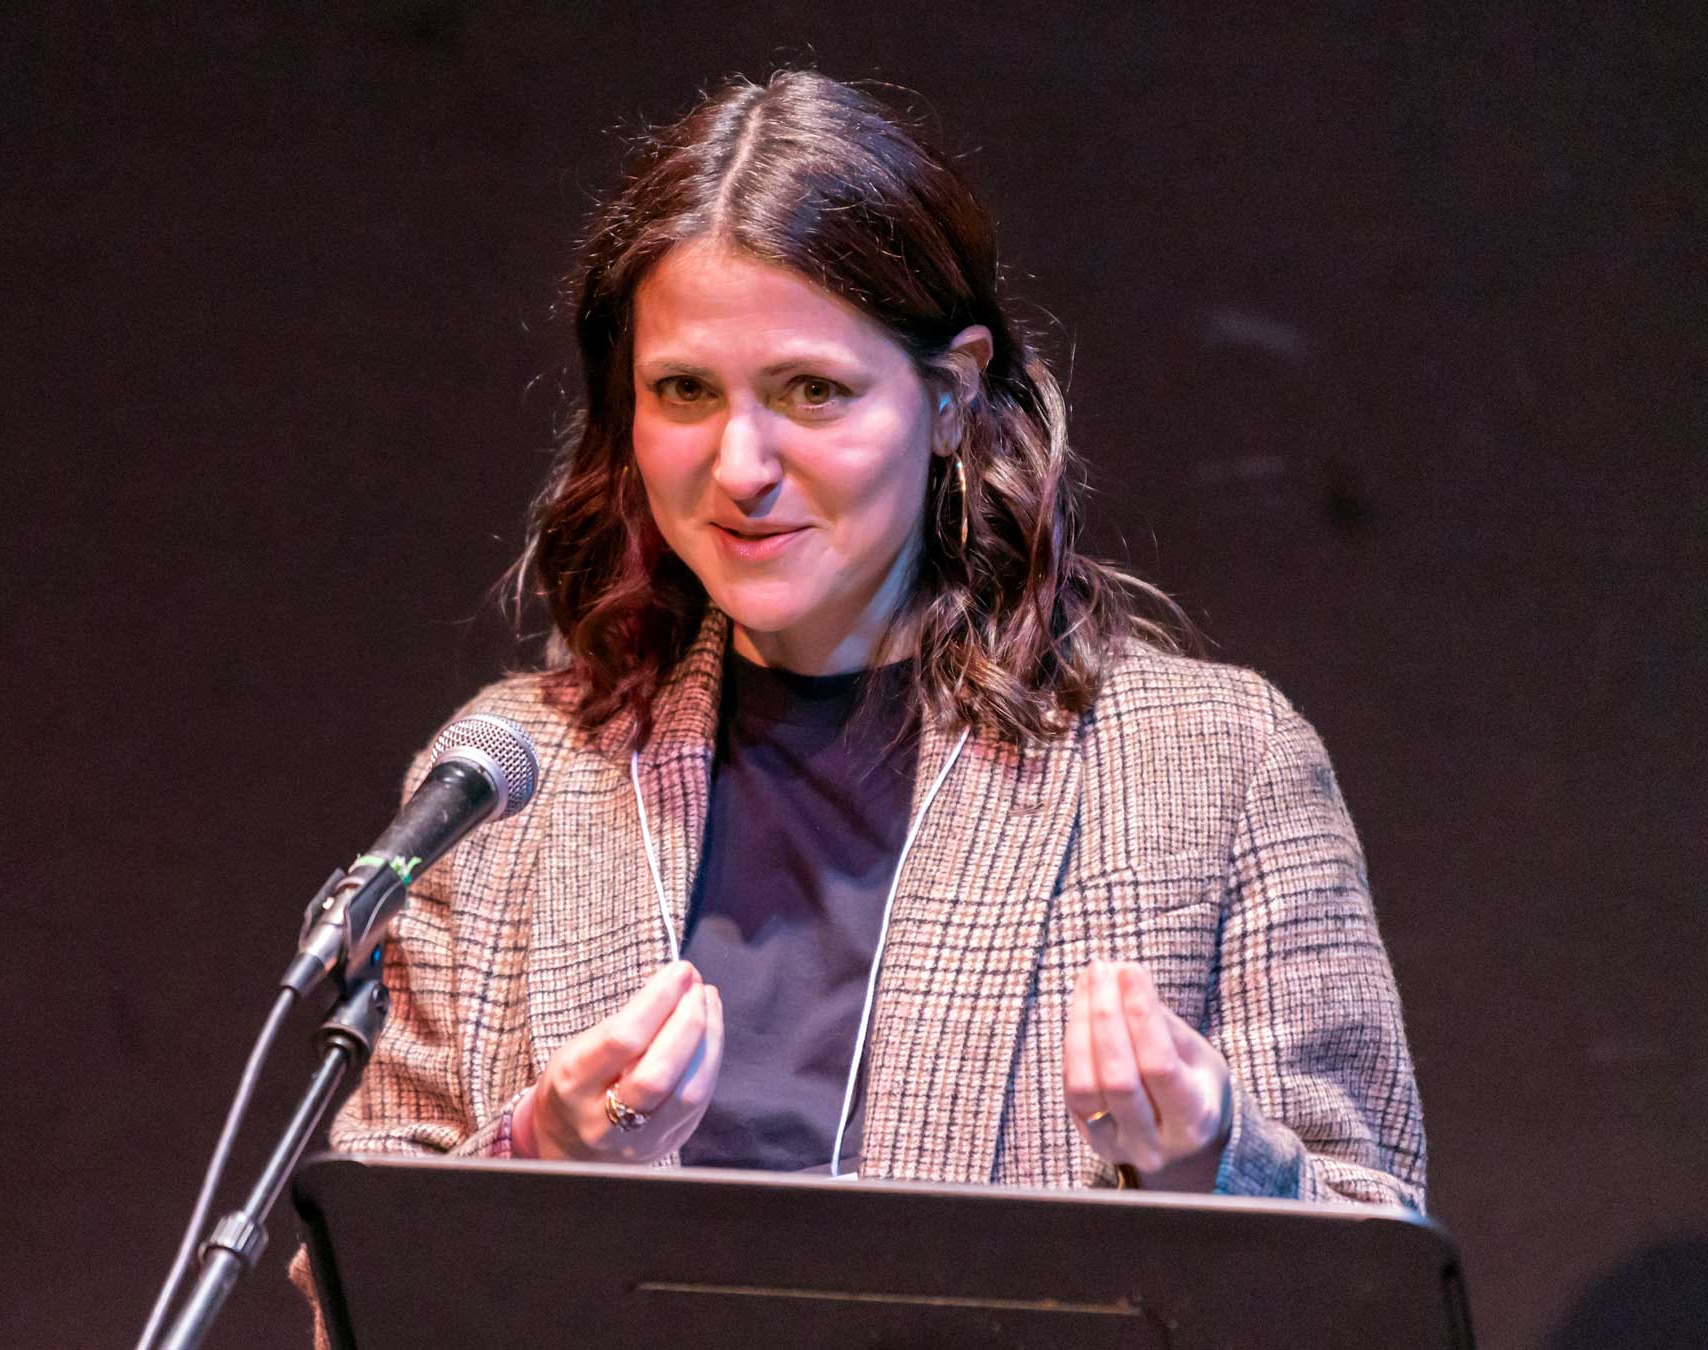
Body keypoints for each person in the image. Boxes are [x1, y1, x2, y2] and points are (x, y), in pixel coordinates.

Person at [296, 64, 1425, 1334]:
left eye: (811, 392)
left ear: (949, 398)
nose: (739, 467)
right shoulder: (513, 781)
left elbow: (1371, 1277)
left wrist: (1202, 1160)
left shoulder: (1211, 768)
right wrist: (536, 1166)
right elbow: (353, 1303)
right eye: (684, 392)